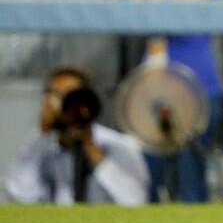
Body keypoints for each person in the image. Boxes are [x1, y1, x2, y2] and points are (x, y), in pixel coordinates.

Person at [108, 0, 223, 203]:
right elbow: (121, 7)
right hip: (155, 85)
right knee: (147, 180)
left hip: (195, 84)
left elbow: (170, 11)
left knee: (189, 183)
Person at [4, 67, 149, 205]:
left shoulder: (118, 145)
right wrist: (43, 132)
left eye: (72, 96)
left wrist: (93, 150)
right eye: (58, 96)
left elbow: (135, 200)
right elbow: (19, 194)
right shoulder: (42, 146)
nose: (67, 105)